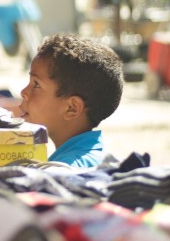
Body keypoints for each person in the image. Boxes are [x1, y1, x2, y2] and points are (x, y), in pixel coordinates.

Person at [20, 33, 123, 168]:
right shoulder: (87, 157)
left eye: (36, 84)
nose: (23, 92)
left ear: (72, 108)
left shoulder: (67, 170)